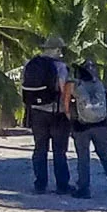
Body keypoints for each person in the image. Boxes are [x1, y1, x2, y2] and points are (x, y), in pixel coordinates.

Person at [65, 58, 107, 198]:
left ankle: (84, 189)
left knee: (83, 158)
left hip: (81, 127)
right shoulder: (99, 85)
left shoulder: (75, 85)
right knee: (106, 157)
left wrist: (71, 120)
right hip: (101, 126)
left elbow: (66, 105)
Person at [18, 40, 69, 195]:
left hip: (36, 113)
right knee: (59, 151)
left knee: (40, 149)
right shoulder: (60, 67)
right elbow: (62, 88)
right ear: (57, 50)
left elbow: (24, 86)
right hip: (56, 112)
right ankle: (62, 185)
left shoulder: (30, 64)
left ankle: (40, 184)